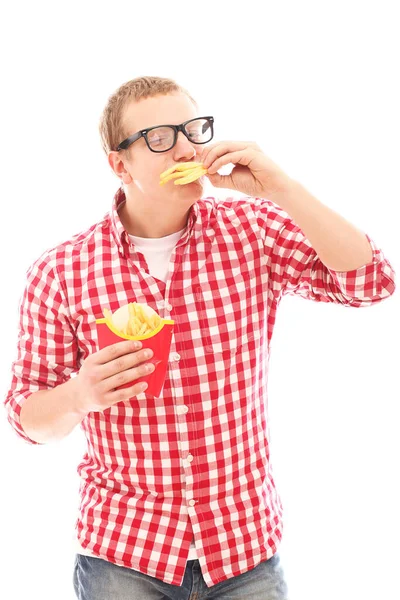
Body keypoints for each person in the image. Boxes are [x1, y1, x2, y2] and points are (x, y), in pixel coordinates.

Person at [3, 75, 396, 600]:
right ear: (120, 165)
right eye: (161, 137)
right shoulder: (63, 272)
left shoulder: (251, 231)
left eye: (194, 129)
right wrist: (80, 394)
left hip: (244, 550)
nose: (188, 147)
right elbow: (28, 418)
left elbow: (371, 282)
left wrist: (281, 187)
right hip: (124, 554)